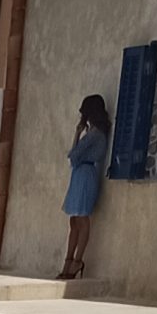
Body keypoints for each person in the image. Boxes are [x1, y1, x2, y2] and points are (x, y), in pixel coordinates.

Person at [61, 94, 111, 281]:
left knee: (82, 219)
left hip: (85, 175)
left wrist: (77, 134)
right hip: (81, 174)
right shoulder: (94, 133)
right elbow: (73, 156)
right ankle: (69, 260)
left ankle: (76, 260)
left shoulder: (95, 134)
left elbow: (73, 155)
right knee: (74, 220)